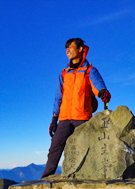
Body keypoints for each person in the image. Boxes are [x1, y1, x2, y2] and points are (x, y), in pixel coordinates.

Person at [41, 38, 111, 179]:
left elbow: (97, 84)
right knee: (55, 148)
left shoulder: (89, 70)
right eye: (66, 48)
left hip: (82, 117)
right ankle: (45, 180)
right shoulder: (64, 73)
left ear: (80, 49)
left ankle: (92, 178)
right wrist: (54, 118)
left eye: (70, 47)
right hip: (65, 118)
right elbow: (58, 97)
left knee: (87, 148)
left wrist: (102, 91)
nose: (67, 51)